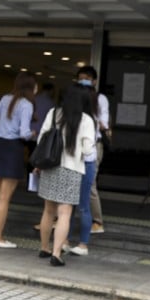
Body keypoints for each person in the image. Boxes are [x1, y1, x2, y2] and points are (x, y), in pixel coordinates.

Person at [35, 83, 96, 266]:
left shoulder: (54, 113)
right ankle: (56, 253)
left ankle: (44, 248)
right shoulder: (85, 120)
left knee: (48, 211)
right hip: (72, 169)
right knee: (64, 213)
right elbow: (87, 149)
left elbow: (41, 140)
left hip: (50, 167)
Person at [0, 72, 37, 248]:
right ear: (30, 87)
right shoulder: (26, 104)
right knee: (5, 197)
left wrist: (1, 128)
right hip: (13, 149)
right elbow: (24, 133)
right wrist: (34, 134)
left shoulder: (6, 99)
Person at [62, 79, 100, 256]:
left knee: (68, 205)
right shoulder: (89, 119)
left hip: (74, 164)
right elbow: (89, 151)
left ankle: (69, 241)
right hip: (85, 164)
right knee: (82, 205)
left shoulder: (75, 118)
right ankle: (80, 244)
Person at [76, 66, 111, 233]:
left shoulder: (100, 98)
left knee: (89, 183)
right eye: (81, 78)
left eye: (87, 79)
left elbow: (104, 121)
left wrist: (98, 122)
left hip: (93, 144)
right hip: (75, 143)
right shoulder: (75, 96)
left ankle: (97, 221)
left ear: (94, 81)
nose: (84, 81)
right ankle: (60, 218)